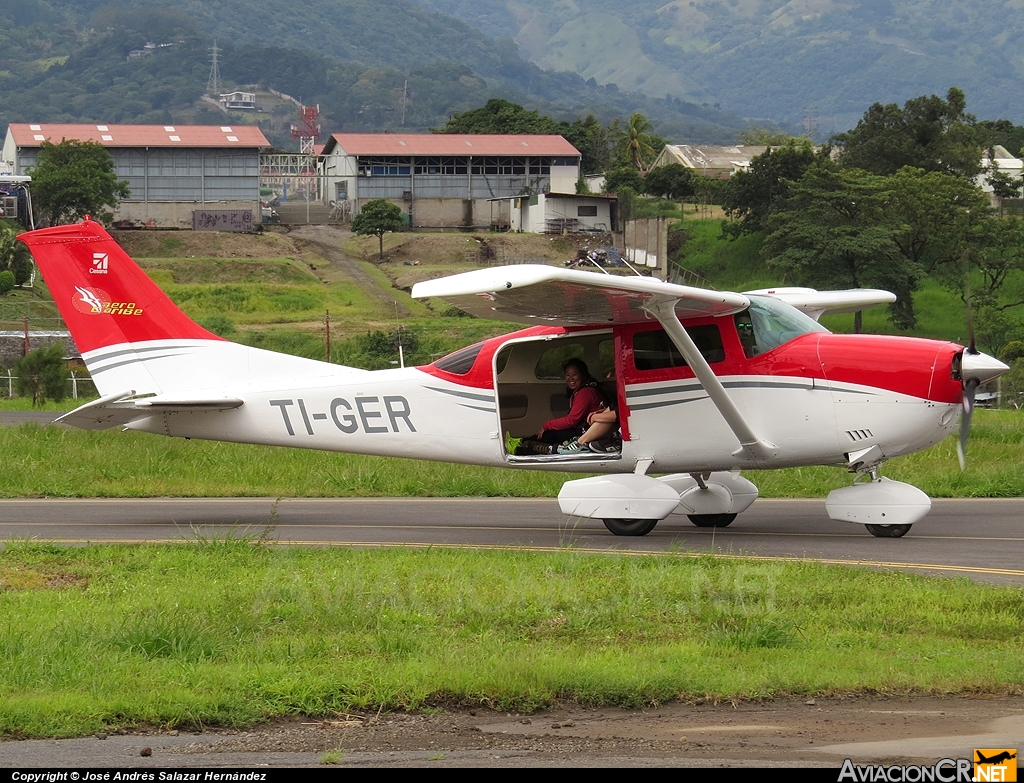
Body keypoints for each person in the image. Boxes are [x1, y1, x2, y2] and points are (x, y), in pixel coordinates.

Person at [512, 358, 606, 455]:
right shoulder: (585, 389)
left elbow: (571, 420)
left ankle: (520, 444)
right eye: (567, 375)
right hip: (588, 429)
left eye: (575, 374)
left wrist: (547, 425)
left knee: (552, 433)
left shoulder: (585, 393)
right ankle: (522, 444)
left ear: (582, 375)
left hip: (591, 432)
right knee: (553, 433)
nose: (571, 378)